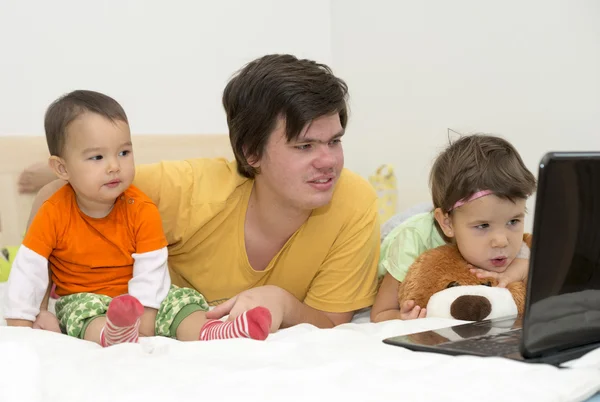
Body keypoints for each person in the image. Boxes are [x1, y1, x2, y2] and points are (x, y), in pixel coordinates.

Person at [18, 54, 380, 333]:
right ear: (251, 152)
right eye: (304, 146)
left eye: (334, 141)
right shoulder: (190, 189)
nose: (328, 161)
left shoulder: (353, 201)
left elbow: (334, 323)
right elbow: (53, 194)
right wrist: (40, 310)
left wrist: (283, 303)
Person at [4, 90, 272, 345]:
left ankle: (218, 331)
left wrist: (146, 310)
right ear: (62, 168)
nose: (114, 166)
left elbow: (151, 264)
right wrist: (21, 320)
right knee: (80, 315)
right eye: (97, 157)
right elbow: (30, 267)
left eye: (124, 153)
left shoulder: (140, 207)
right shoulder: (53, 210)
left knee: (182, 303)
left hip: (142, 298)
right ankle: (113, 334)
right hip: (85, 296)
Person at [371, 134, 537, 322]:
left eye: (513, 222)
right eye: (483, 225)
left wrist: (522, 268)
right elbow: (380, 313)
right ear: (447, 224)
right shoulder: (412, 241)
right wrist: (403, 317)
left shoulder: (516, 246)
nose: (502, 240)